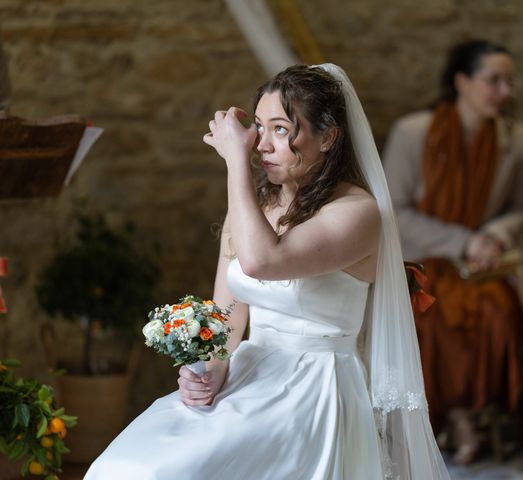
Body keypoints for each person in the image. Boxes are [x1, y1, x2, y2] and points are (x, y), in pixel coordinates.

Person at [84, 64, 449, 479]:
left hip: (315, 387)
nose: (261, 144)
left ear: (328, 137)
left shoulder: (358, 213)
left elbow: (262, 262)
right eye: (258, 127)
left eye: (280, 129)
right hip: (252, 369)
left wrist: (233, 164)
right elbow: (227, 315)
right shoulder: (252, 204)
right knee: (125, 466)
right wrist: (212, 369)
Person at [382, 39, 523, 464]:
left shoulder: (513, 139)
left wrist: (494, 238)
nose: (505, 91)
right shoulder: (414, 133)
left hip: (480, 266)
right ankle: (446, 421)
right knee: (429, 316)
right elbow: (395, 211)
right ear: (461, 82)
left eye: (510, 82)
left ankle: (476, 414)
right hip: (421, 259)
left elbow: (520, 209)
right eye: (494, 80)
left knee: (499, 314)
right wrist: (463, 241)